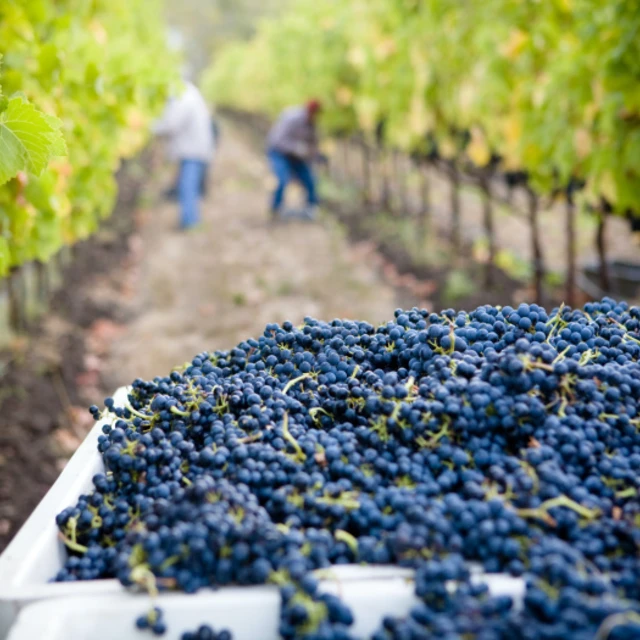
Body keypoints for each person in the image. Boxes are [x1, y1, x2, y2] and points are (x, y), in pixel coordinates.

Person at [153, 81, 214, 230]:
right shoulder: (189, 94)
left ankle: (189, 221)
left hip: (192, 150)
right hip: (194, 148)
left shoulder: (184, 97)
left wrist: (151, 127)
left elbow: (171, 123)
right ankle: (190, 219)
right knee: (188, 184)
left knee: (188, 185)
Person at [266, 100, 322, 221]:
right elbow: (277, 140)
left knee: (310, 179)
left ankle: (311, 208)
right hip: (279, 152)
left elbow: (312, 145)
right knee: (282, 179)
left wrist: (316, 156)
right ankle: (276, 208)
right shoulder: (292, 118)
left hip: (296, 156)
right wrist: (296, 148)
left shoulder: (312, 124)